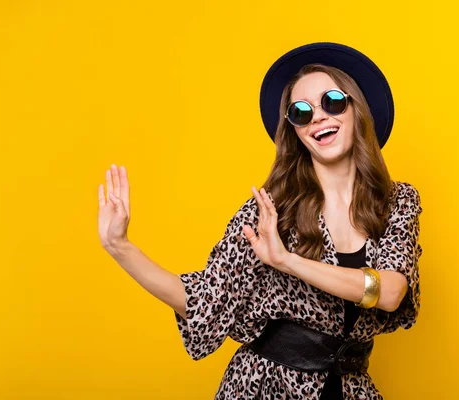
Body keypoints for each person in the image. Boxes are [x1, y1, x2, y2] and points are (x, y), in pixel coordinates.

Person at [98, 42, 423, 399]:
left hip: (349, 387)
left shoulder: (396, 201)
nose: (317, 116)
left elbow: (390, 292)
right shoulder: (270, 210)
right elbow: (203, 299)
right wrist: (120, 246)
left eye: (331, 101)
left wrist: (288, 261)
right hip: (266, 386)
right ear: (296, 132)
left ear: (356, 108)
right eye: (301, 112)